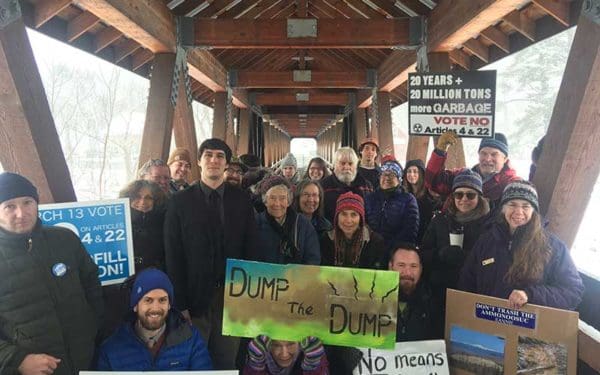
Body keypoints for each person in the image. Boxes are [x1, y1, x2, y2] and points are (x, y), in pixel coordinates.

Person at [164, 138, 258, 369]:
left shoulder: (242, 199)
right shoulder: (179, 202)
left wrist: (249, 296)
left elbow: (251, 247)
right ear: (199, 161)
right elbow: (173, 253)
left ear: (226, 164)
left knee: (227, 359)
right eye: (208, 155)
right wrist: (180, 302)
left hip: (232, 296)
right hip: (194, 300)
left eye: (219, 156)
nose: (214, 160)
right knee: (192, 360)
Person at [0, 172, 103, 375]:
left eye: (27, 202)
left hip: (86, 360)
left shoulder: (64, 239)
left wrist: (92, 327)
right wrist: (17, 360)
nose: (21, 213)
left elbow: (91, 283)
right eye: (9, 206)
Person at [458, 181, 584, 310]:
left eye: (525, 206)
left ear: (533, 210)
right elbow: (467, 281)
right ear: (503, 208)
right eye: (512, 205)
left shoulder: (553, 246)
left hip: (527, 325)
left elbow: (573, 291)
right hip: (487, 320)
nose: (519, 212)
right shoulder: (486, 241)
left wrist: (531, 295)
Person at [97, 269, 213, 370]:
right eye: (148, 300)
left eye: (162, 300)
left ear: (169, 305)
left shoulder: (190, 339)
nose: (155, 308)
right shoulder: (112, 348)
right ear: (135, 305)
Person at [420, 169, 490, 309]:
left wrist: (467, 257)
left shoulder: (488, 225)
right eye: (459, 194)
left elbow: (491, 261)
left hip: (472, 293)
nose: (464, 199)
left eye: (470, 195)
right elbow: (423, 253)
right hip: (439, 292)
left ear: (479, 197)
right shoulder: (440, 220)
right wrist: (440, 254)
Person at [426, 132, 520, 210]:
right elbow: (433, 182)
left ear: (505, 158)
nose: (487, 159)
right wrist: (440, 151)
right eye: (483, 153)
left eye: (494, 154)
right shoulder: (462, 176)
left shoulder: (512, 183)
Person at [255, 176, 320, 265]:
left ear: (289, 201)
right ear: (265, 201)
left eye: (282, 198)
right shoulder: (255, 223)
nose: (277, 203)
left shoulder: (303, 224)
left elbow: (313, 259)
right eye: (272, 198)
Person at [389, 244, 443, 342]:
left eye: (413, 266)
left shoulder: (434, 303)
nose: (408, 272)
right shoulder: (374, 300)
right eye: (401, 265)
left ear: (421, 269)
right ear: (390, 266)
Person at [365, 156, 419, 251]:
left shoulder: (408, 200)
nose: (387, 178)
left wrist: (389, 248)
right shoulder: (370, 198)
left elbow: (410, 231)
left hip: (397, 251)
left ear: (399, 179)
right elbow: (364, 223)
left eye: (392, 175)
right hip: (371, 249)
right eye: (384, 174)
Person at [320, 192, 386, 269]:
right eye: (344, 214)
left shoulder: (375, 242)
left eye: (354, 214)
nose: (348, 220)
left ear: (361, 218)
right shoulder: (326, 240)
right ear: (337, 217)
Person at [119, 180, 167, 272]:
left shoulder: (164, 222)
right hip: (124, 275)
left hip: (156, 275)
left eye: (149, 198)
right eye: (137, 197)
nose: (143, 202)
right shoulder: (117, 223)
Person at [321, 147, 373, 222]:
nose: (347, 167)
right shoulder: (323, 186)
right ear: (334, 165)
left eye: (350, 163)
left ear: (355, 166)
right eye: (342, 163)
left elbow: (370, 213)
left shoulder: (367, 186)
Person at [402, 159, 442, 244]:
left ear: (421, 174)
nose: (411, 175)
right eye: (409, 171)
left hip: (425, 239)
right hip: (409, 238)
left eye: (415, 172)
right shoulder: (404, 194)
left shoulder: (429, 195)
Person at [243, 336, 328, 374]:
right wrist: (255, 366)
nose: (284, 354)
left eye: (291, 344)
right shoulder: (257, 350)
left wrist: (313, 368)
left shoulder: (313, 350)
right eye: (276, 345)